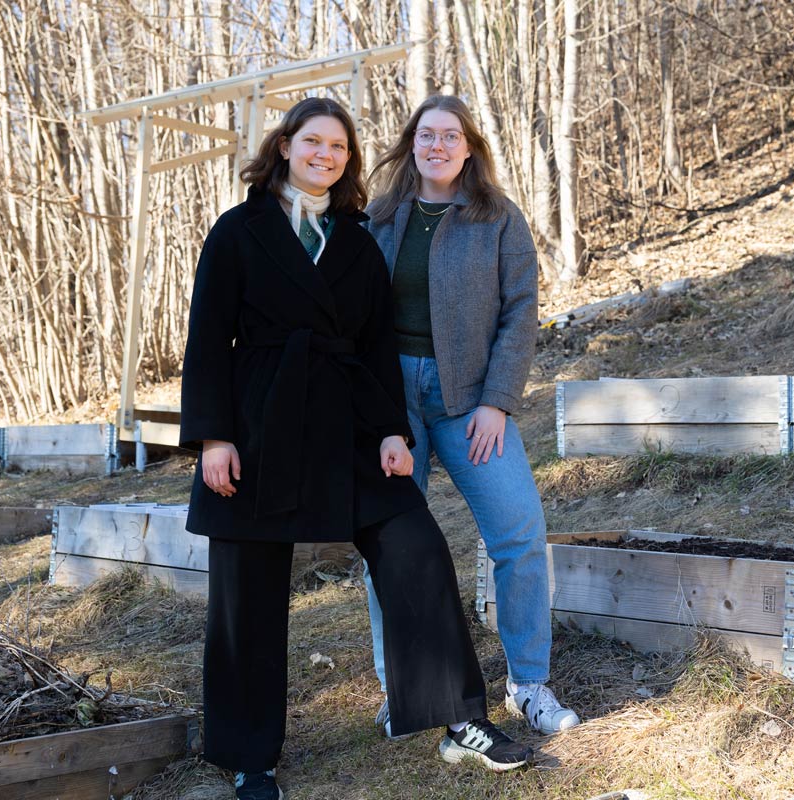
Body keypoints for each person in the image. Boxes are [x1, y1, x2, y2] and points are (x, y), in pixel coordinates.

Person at [179, 97, 532, 800]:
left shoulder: (356, 239)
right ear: (284, 146)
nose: (326, 156)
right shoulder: (238, 230)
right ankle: (252, 758)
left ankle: (461, 720)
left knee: (416, 549)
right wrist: (213, 438)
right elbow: (207, 339)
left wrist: (392, 434)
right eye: (314, 142)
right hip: (258, 428)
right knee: (247, 592)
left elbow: (374, 348)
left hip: (349, 426)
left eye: (339, 147)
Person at [363, 95, 580, 738]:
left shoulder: (498, 218)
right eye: (426, 135)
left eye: (450, 135)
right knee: (390, 546)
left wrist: (496, 402)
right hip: (390, 401)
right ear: (411, 145)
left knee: (518, 530)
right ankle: (400, 689)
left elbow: (520, 314)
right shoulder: (377, 219)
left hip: (469, 402)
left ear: (469, 146)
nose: (437, 145)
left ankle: (529, 682)